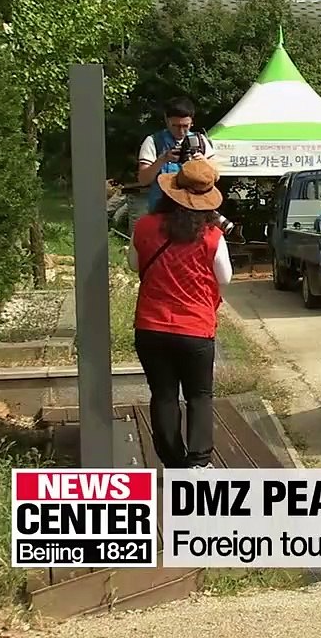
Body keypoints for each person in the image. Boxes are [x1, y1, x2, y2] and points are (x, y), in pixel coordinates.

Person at [128, 160, 232, 470]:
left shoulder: (144, 226)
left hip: (150, 326)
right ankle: (199, 462)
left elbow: (134, 265)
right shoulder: (212, 235)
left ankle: (173, 461)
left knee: (163, 394)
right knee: (199, 395)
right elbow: (224, 277)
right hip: (195, 329)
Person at [136, 96, 239, 239]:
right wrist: (162, 160)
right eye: (176, 126)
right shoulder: (153, 142)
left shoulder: (200, 141)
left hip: (196, 215)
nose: (181, 131)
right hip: (162, 215)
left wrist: (204, 162)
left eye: (186, 126)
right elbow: (143, 179)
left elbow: (216, 175)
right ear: (167, 120)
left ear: (192, 121)